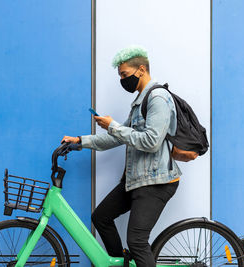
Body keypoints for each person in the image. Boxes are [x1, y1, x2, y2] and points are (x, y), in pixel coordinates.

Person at [61, 45, 182, 267]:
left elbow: (151, 142)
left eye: (124, 75)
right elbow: (119, 138)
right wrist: (80, 141)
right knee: (101, 217)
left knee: (136, 241)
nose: (122, 80)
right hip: (137, 180)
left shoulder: (157, 98)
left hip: (156, 182)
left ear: (142, 69)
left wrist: (114, 126)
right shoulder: (139, 102)